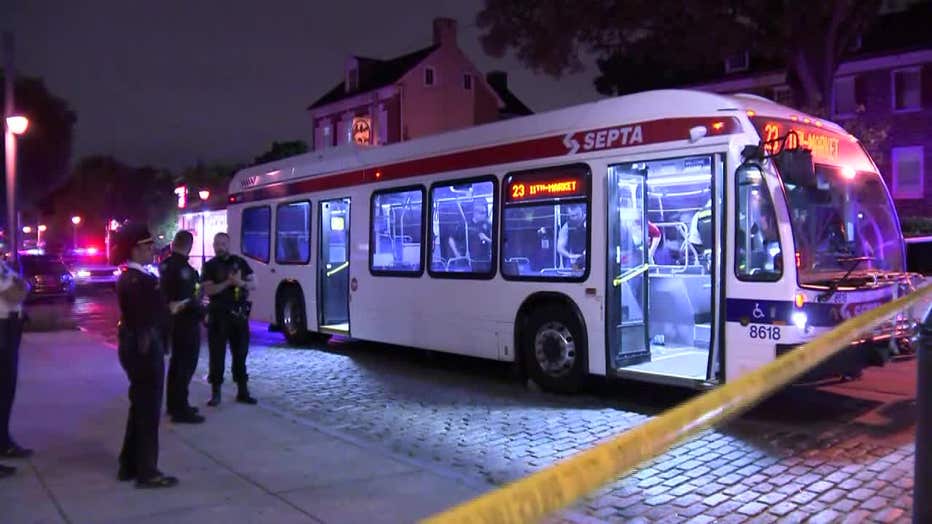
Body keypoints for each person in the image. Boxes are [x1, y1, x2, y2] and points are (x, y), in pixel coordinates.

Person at [114, 223, 178, 488]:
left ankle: (129, 464)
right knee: (148, 410)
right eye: (147, 245)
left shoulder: (135, 277)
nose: (153, 249)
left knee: (139, 406)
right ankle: (147, 471)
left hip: (139, 344)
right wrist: (169, 308)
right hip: (143, 346)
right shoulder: (137, 280)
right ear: (135, 249)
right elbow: (146, 317)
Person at [202, 233, 257, 406]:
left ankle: (242, 390)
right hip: (218, 316)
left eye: (223, 243)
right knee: (216, 355)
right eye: (217, 244)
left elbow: (254, 284)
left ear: (229, 244)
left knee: (240, 353)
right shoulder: (210, 266)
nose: (220, 247)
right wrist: (228, 282)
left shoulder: (240, 262)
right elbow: (209, 290)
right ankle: (216, 393)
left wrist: (239, 283)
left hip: (238, 315)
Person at [160, 231, 205, 424]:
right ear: (189, 246)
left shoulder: (164, 265)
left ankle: (173, 404)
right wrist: (204, 312)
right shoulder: (185, 270)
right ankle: (181, 409)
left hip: (171, 323)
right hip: (186, 324)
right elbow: (189, 299)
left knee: (176, 365)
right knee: (185, 366)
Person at [0, 255, 31, 479]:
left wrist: (22, 285)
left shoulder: (2, 266)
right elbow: (14, 294)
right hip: (2, 328)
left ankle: (3, 442)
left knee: (6, 390)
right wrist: (23, 286)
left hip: (10, 328)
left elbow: (21, 285)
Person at [447, 197, 492, 271]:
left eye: (485, 212)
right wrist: (457, 254)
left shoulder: (488, 225)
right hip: (469, 262)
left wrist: (486, 239)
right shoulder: (465, 224)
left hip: (485, 261)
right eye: (482, 213)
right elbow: (451, 239)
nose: (485, 215)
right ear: (475, 212)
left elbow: (495, 242)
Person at [557, 204, 587, 270]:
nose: (575, 217)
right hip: (575, 260)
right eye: (573, 216)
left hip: (592, 257)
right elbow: (560, 247)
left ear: (581, 210)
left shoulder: (592, 220)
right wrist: (570, 256)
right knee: (576, 275)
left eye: (577, 214)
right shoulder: (566, 226)